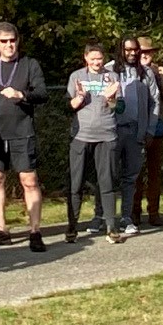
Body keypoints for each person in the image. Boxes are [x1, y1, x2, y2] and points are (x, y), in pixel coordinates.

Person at [0, 23, 48, 251]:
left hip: (22, 132)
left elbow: (42, 94)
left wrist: (21, 95)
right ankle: (0, 229)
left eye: (12, 40)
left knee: (29, 181)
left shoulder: (29, 65)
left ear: (18, 41)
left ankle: (34, 231)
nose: (9, 45)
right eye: (4, 41)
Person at [65, 41, 124, 242]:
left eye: (100, 59)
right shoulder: (77, 76)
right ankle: (72, 227)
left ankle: (111, 227)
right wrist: (80, 97)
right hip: (81, 136)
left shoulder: (112, 77)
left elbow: (118, 107)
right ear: (86, 58)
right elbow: (70, 105)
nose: (97, 62)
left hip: (106, 135)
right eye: (93, 59)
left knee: (106, 182)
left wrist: (111, 97)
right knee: (76, 183)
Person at [109, 37, 157, 239]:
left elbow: (155, 102)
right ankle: (104, 217)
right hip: (111, 132)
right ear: (120, 50)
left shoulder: (146, 73)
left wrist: (150, 130)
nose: (131, 53)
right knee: (108, 176)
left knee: (131, 178)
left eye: (135, 50)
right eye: (127, 49)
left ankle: (126, 217)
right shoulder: (109, 71)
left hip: (136, 132)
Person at [134, 36, 163, 226]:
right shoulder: (128, 71)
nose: (145, 55)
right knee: (135, 172)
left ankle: (154, 211)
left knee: (154, 173)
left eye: (148, 52)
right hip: (134, 128)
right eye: (142, 51)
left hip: (156, 127)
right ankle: (134, 211)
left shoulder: (158, 72)